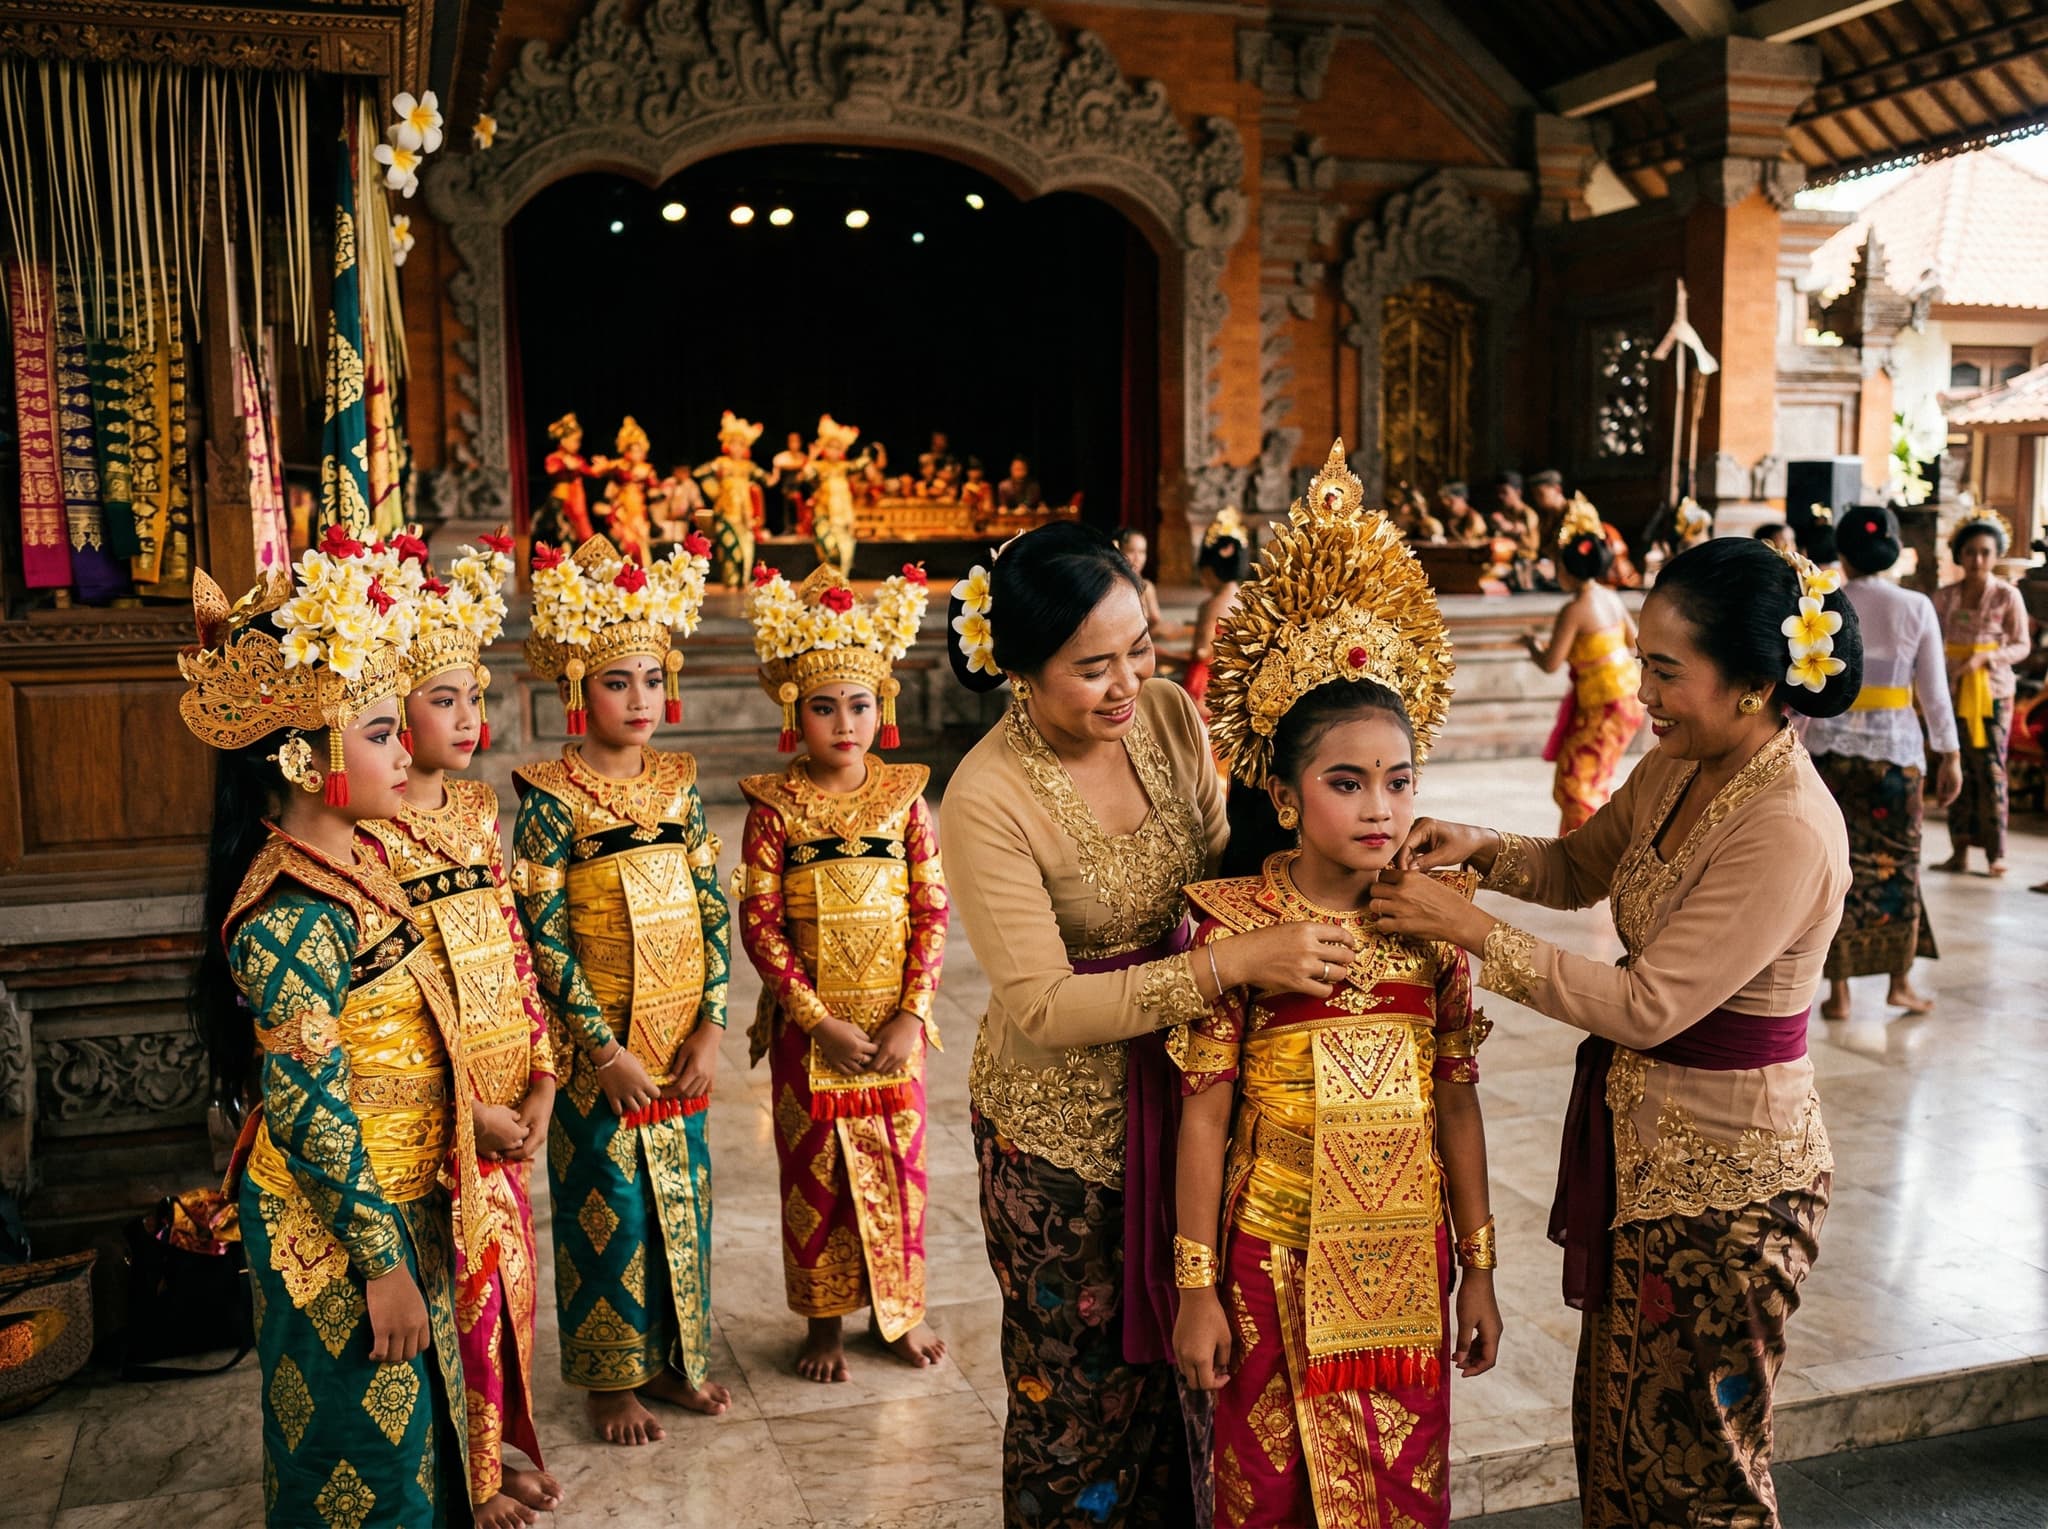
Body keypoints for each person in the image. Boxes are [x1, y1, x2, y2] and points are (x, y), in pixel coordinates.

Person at [1369, 535, 1858, 1529]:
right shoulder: (1678, 768)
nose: (1642, 693)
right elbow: (1573, 866)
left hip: (1731, 1189)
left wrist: (1466, 927)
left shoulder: (1784, 826)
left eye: (1666, 672)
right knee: (1622, 1442)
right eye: (1641, 661)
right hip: (1645, 1158)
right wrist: (1479, 847)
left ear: (1756, 684)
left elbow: (1644, 1005)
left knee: (1699, 1469)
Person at [942, 516, 1361, 1528]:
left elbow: (1220, 867)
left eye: (1139, 645)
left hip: (1187, 1106)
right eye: (1093, 666)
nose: (1128, 680)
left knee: (1195, 1383)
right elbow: (1040, 1002)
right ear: (1022, 672)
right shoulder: (984, 795)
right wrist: (1225, 963)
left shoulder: (1170, 716)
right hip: (1058, 1144)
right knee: (1077, 1406)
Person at [1170, 480, 1500, 1525]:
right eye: (1347, 782)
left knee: (1398, 1498)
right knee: (1264, 1499)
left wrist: (1479, 1270)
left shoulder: (1435, 922)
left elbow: (1455, 1097)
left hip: (1406, 1264)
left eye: (1399, 781)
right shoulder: (1233, 925)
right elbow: (1204, 1112)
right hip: (1266, 1260)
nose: (1380, 807)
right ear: (1280, 793)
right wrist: (1193, 1286)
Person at [184, 530, 476, 1526]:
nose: (408, 750)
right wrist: (381, 1260)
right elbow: (308, 1112)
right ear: (306, 757)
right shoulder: (289, 914)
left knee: (413, 1446)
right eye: (385, 731)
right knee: (360, 1459)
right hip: (340, 1223)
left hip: (395, 1196)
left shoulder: (358, 861)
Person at [513, 532, 735, 1446]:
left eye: (651, 678)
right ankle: (611, 1378)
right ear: (577, 689)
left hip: (679, 1045)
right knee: (607, 1206)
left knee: (685, 1199)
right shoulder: (549, 797)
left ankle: (680, 1358)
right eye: (617, 682)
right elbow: (542, 932)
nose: (639, 700)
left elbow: (714, 906)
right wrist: (601, 1050)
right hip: (596, 1056)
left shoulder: (681, 787)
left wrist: (713, 1024)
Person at [361, 532, 563, 1527]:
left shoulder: (479, 807)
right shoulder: (369, 836)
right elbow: (399, 1001)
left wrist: (539, 1077)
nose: (469, 719)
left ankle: (496, 1448)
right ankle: (470, 1477)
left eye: (474, 698)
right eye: (445, 699)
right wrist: (467, 1110)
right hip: (439, 1115)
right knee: (449, 1294)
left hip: (504, 1098)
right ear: (392, 712)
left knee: (506, 1295)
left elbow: (510, 947)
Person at [739, 564, 948, 1383]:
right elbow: (760, 924)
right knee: (815, 1176)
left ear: (881, 706)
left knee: (902, 1172)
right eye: (825, 706)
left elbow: (932, 909)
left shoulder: (905, 800)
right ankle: (823, 1325)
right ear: (797, 710)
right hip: (813, 1031)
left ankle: (898, 1314)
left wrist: (910, 1012)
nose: (844, 722)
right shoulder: (773, 807)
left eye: (859, 703)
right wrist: (815, 1017)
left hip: (895, 1028)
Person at [1803, 506, 1960, 1022]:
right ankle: (1899, 982)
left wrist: (1793, 746)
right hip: (1895, 758)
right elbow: (1934, 695)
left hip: (1829, 757)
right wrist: (1950, 753)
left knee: (1835, 869)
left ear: (1841, 551)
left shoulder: (1826, 601)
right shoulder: (1916, 606)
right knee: (1899, 865)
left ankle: (1839, 992)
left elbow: (1808, 688)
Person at [1526, 501, 1646, 833]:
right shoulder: (1610, 597)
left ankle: (1587, 863)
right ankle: (1574, 854)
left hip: (1604, 704)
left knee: (1577, 786)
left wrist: (1531, 646)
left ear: (1568, 568)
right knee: (1587, 779)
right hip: (1626, 698)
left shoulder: (1575, 608)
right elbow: (1635, 642)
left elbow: (1551, 663)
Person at [1933, 509, 2032, 878]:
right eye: (1970, 552)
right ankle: (1958, 850)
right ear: (1959, 555)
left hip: (1992, 693)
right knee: (1954, 765)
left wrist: (1986, 659)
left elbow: (2021, 645)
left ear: (1996, 555)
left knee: (1990, 769)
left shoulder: (2008, 596)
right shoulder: (1943, 598)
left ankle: (1996, 854)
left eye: (1985, 552)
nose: (1977, 560)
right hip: (1953, 689)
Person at [695, 410, 768, 588]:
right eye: (734, 444)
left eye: (741, 444)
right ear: (728, 444)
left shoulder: (748, 466)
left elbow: (768, 479)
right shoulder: (721, 462)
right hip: (726, 514)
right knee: (728, 551)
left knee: (746, 551)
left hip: (745, 516)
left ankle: (743, 582)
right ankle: (730, 583)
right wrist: (715, 491)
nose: (737, 448)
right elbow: (699, 473)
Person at [1184, 509, 1247, 709]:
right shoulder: (1246, 600)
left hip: (1207, 685)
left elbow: (1202, 652)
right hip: (1237, 682)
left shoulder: (1211, 606)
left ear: (1209, 570)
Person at [804, 414, 868, 579]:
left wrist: (868, 455)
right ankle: (830, 578)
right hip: (824, 515)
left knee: (845, 548)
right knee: (829, 547)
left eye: (837, 447)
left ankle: (840, 579)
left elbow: (860, 464)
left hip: (843, 514)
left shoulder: (844, 467)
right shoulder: (819, 466)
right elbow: (807, 474)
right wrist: (812, 456)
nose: (834, 451)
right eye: (830, 447)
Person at [600, 417, 661, 562]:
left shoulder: (646, 469)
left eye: (639, 451)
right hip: (622, 510)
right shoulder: (618, 467)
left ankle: (643, 575)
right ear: (626, 450)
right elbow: (608, 482)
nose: (636, 454)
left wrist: (657, 493)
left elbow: (654, 489)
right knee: (626, 544)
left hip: (638, 511)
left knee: (641, 543)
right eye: (632, 450)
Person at [544, 413, 597, 544]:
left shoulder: (577, 459)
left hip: (578, 503)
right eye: (575, 440)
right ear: (563, 440)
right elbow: (551, 469)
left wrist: (603, 466)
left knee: (585, 534)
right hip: (562, 501)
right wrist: (564, 465)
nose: (578, 444)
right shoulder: (555, 458)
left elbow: (590, 471)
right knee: (564, 535)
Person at [1115, 526, 1169, 639]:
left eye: (1142, 552)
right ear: (1119, 552)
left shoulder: (1147, 587)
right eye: (1131, 551)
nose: (1137, 558)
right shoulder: (1114, 586)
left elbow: (1155, 620)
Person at [1490, 472, 1541, 590]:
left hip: (1524, 560)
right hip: (1504, 559)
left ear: (1518, 492)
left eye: (1505, 492)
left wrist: (1507, 527)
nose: (1500, 496)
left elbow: (1530, 543)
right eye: (1498, 492)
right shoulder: (1503, 512)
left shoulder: (1528, 514)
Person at [770, 431, 809, 537]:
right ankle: (788, 528)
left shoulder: (802, 456)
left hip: (800, 488)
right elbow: (778, 467)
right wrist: (799, 465)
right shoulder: (782, 457)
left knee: (800, 508)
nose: (794, 444)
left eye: (796, 441)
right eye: (792, 441)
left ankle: (800, 527)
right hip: (786, 488)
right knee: (788, 508)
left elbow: (806, 470)